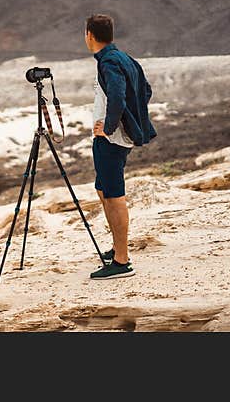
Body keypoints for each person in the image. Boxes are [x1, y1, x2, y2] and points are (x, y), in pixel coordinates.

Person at [84, 14, 156, 280]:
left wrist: (111, 127)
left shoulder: (110, 62)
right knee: (103, 190)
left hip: (110, 141)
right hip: (113, 139)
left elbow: (116, 95)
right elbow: (145, 90)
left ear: (89, 34)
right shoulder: (122, 57)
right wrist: (132, 121)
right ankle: (117, 248)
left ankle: (122, 261)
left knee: (114, 196)